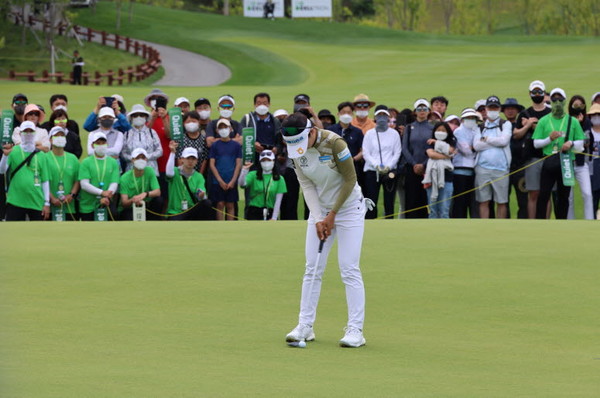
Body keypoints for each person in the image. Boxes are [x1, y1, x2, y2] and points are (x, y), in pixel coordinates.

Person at [282, 112, 368, 348]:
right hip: (321, 211)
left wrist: (332, 215)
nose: (297, 148)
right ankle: (305, 326)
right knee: (312, 267)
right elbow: (306, 184)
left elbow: (350, 180)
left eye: (301, 141)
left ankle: (355, 330)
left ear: (311, 132)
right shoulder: (295, 150)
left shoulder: (334, 143)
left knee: (349, 268)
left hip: (349, 209)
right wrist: (319, 217)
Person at [532, 88, 585, 219]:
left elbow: (581, 144)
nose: (557, 102)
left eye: (560, 99)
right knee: (544, 194)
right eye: (554, 99)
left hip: (566, 161)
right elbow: (536, 143)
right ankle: (540, 222)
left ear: (564, 101)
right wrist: (549, 139)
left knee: (564, 196)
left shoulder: (572, 121)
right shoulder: (544, 120)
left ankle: (562, 222)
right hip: (549, 160)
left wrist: (571, 143)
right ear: (550, 101)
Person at [514, 80, 552, 219]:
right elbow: (516, 134)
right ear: (530, 94)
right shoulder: (525, 113)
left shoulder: (550, 112)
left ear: (543, 93)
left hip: (549, 156)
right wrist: (527, 125)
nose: (537, 94)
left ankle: (546, 222)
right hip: (532, 158)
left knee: (546, 194)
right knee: (534, 193)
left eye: (539, 92)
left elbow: (553, 134)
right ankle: (532, 222)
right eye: (534, 92)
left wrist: (533, 126)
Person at [0, 121, 50, 221]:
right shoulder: (14, 151)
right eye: (25, 131)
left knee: (37, 234)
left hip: (36, 201)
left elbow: (45, 180)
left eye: (30, 131)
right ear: (20, 134)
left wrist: (46, 203)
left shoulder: (42, 155)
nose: (28, 134)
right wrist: (5, 155)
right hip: (15, 201)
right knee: (14, 233)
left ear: (35, 133)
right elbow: (2, 170)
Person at [473, 96, 512, 219]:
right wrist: (494, 142)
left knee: (501, 202)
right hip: (482, 168)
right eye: (490, 107)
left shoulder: (505, 124)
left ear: (499, 109)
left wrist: (487, 139)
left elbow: (504, 141)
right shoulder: (480, 127)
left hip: (501, 169)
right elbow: (477, 145)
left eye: (495, 107)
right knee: (483, 201)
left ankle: (500, 228)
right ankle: (485, 227)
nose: (493, 110)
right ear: (486, 108)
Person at [362, 106, 401, 219]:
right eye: (379, 116)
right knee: (371, 199)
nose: (382, 118)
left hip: (389, 171)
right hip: (372, 170)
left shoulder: (394, 134)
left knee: (389, 200)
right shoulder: (369, 134)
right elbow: (366, 152)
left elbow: (397, 152)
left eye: (384, 116)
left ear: (388, 118)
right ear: (375, 118)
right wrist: (376, 165)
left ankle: (389, 220)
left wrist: (389, 166)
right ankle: (371, 221)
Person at [402, 99, 433, 218]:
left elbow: (434, 147)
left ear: (428, 111)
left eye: (424, 109)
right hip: (411, 167)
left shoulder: (432, 128)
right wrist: (414, 164)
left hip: (428, 167)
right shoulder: (409, 128)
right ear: (415, 112)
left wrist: (423, 165)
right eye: (419, 109)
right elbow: (405, 148)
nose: (422, 111)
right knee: (411, 197)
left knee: (424, 197)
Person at [78, 132, 120, 221]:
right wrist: (101, 192)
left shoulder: (113, 162)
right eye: (98, 143)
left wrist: (107, 195)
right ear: (93, 145)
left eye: (103, 143)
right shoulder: (86, 162)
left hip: (106, 201)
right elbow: (84, 184)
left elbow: (114, 182)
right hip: (88, 205)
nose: (101, 145)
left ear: (107, 144)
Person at [166, 143, 211, 220]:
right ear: (182, 159)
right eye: (188, 158)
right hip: (176, 212)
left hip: (191, 210)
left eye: (193, 159)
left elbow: (200, 194)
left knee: (207, 203)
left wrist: (201, 195)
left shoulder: (198, 176)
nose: (190, 161)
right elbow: (169, 173)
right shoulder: (175, 171)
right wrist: (172, 153)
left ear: (196, 161)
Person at [238, 150, 287, 220]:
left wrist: (274, 218)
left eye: (269, 160)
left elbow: (278, 201)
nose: (266, 163)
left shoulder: (279, 178)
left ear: (273, 161)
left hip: (270, 211)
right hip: (254, 211)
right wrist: (244, 170)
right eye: (263, 161)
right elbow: (242, 184)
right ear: (260, 162)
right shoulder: (253, 174)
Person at [328, 102, 365, 193]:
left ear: (352, 114)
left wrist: (354, 159)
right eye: (343, 112)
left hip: (353, 167)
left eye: (349, 112)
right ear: (338, 114)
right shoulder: (330, 130)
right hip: (334, 167)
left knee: (353, 191)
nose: (346, 115)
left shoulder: (357, 132)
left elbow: (362, 150)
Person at [566, 95, 593, 220]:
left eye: (581, 106)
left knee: (587, 193)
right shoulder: (566, 121)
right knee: (569, 197)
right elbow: (565, 140)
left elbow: (586, 141)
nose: (578, 108)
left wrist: (580, 124)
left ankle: (589, 220)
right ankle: (570, 221)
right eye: (575, 105)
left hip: (582, 164)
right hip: (567, 163)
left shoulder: (586, 121)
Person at [209, 119, 242, 220]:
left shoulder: (236, 145)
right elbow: (212, 164)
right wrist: (220, 181)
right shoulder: (215, 145)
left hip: (231, 179)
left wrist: (233, 181)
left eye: (225, 127)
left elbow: (238, 164)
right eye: (221, 128)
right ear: (217, 130)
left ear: (230, 129)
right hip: (218, 181)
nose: (223, 130)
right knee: (220, 204)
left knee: (230, 205)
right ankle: (220, 226)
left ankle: (230, 227)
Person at [46, 126, 80, 221]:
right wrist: (51, 198)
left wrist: (71, 195)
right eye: (56, 136)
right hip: (50, 205)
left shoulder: (73, 158)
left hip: (69, 206)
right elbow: (42, 181)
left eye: (62, 135)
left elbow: (77, 180)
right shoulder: (44, 158)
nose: (60, 138)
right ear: (50, 140)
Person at [119, 148, 163, 221]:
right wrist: (133, 200)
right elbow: (124, 202)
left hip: (146, 205)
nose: (140, 160)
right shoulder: (124, 177)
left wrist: (145, 194)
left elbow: (158, 192)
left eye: (143, 158)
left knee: (159, 200)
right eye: (137, 158)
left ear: (146, 160)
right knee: (126, 215)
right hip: (131, 207)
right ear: (132, 160)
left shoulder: (150, 171)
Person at [423, 122, 456, 218]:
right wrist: (446, 156)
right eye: (438, 130)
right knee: (433, 209)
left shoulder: (452, 141)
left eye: (443, 130)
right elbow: (431, 154)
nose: (440, 132)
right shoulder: (429, 142)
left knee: (444, 209)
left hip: (447, 178)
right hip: (432, 177)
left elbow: (451, 150)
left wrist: (437, 143)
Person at [451, 108, 479, 218]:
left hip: (472, 170)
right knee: (459, 202)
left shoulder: (476, 130)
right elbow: (465, 150)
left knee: (470, 202)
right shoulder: (458, 131)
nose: (471, 120)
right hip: (459, 170)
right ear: (462, 119)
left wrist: (474, 147)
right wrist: (476, 147)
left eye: (473, 118)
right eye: (468, 118)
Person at [240, 92, 281, 166]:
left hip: (270, 158)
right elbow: (240, 137)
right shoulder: (248, 119)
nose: (262, 106)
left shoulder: (275, 121)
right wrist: (252, 143)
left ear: (269, 104)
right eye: (259, 103)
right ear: (254, 105)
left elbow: (279, 140)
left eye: (265, 103)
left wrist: (276, 149)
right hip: (252, 158)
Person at [121, 104, 163, 176]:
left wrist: (146, 157)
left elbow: (159, 150)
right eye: (135, 115)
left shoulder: (152, 132)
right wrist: (133, 158)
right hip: (132, 171)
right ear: (131, 118)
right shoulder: (127, 134)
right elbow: (123, 153)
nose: (138, 117)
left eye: (141, 115)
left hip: (150, 170)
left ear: (146, 117)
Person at [587, 104, 600, 217]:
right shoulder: (587, 132)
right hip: (592, 168)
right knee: (593, 197)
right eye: (594, 115)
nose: (596, 117)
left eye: (598, 114)